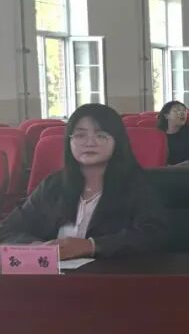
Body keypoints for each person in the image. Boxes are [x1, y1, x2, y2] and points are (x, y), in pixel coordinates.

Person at [0, 104, 166, 259]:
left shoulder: (137, 184)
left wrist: (92, 246)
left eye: (101, 135)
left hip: (112, 276)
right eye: (80, 135)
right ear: (69, 141)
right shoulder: (54, 184)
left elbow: (154, 235)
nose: (89, 142)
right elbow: (8, 229)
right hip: (54, 275)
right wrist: (36, 247)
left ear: (117, 141)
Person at [157, 100, 189, 166]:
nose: (182, 113)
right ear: (166, 115)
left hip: (188, 170)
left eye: (184, 111)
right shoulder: (157, 134)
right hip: (162, 170)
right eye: (176, 110)